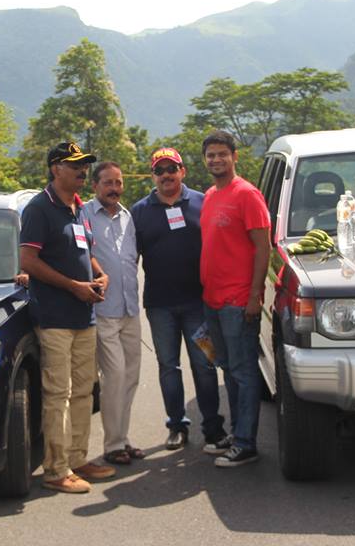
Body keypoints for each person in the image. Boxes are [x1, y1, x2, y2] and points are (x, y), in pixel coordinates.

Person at [19, 141, 116, 494]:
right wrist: (73, 286)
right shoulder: (38, 209)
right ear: (55, 168)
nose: (82, 171)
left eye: (84, 165)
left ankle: (77, 458)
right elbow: (28, 261)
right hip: (55, 317)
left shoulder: (78, 208)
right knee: (58, 393)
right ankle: (56, 469)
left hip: (84, 316)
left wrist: (99, 274)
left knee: (84, 391)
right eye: (75, 165)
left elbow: (85, 252)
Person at [131, 147, 227, 452]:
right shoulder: (140, 211)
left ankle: (213, 428)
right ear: (153, 176)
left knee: (205, 366)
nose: (166, 175)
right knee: (168, 367)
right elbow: (129, 258)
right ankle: (176, 426)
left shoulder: (203, 201)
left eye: (171, 169)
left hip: (198, 303)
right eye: (159, 170)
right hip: (160, 305)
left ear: (182, 171)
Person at [199, 130, 271, 467]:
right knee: (228, 369)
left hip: (238, 300)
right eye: (211, 155)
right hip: (213, 300)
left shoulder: (248, 195)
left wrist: (255, 295)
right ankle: (237, 433)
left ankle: (246, 444)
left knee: (243, 372)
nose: (216, 160)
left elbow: (263, 248)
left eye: (222, 154)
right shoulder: (210, 195)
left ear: (234, 156)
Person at [86, 161, 144, 466]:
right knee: (115, 376)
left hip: (130, 308)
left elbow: (131, 259)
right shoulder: (83, 215)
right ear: (95, 185)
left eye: (118, 182)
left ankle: (122, 437)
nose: (114, 188)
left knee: (131, 376)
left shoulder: (127, 216)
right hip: (103, 309)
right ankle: (113, 444)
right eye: (108, 183)